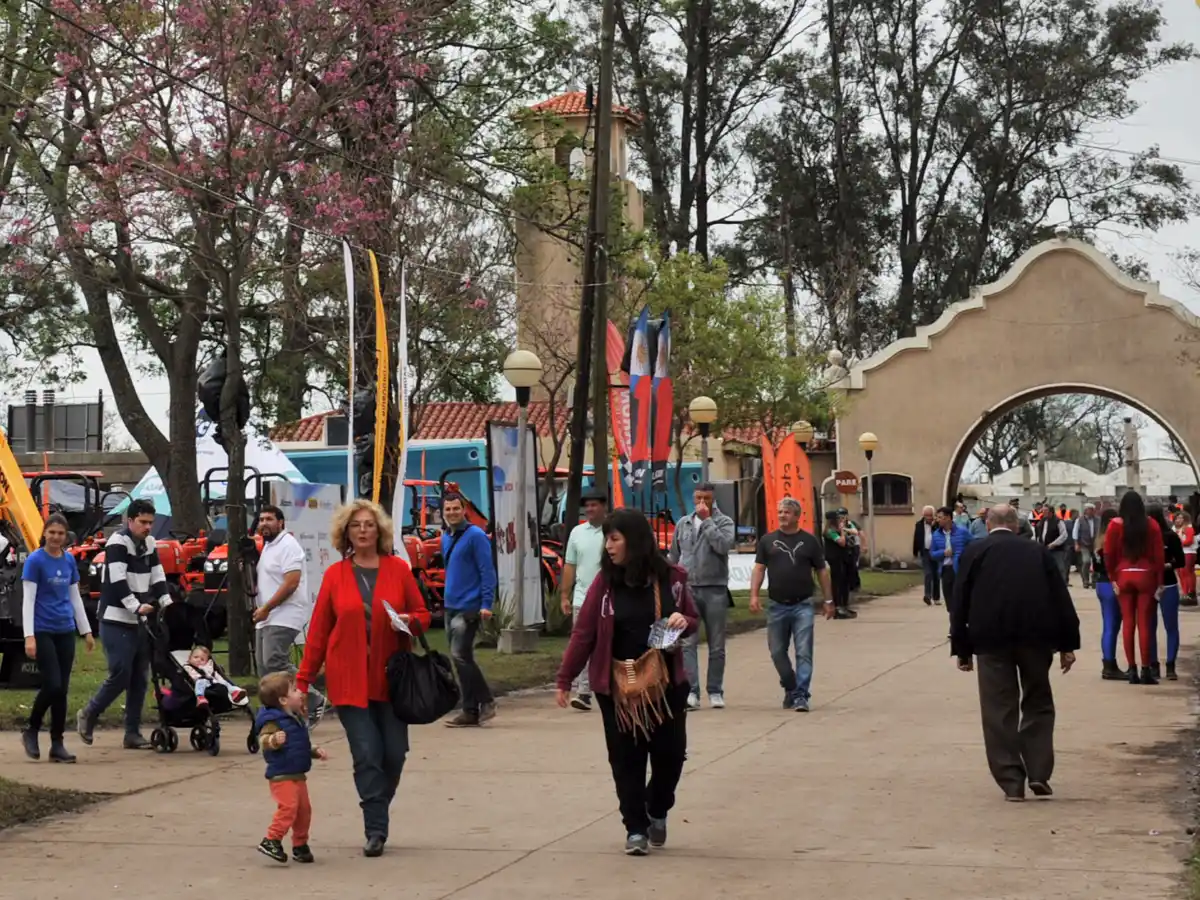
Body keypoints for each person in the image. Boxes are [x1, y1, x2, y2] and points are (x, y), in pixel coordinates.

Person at [555, 509, 700, 856]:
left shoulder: (672, 578)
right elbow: (584, 633)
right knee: (626, 759)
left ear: (634, 541)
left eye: (615, 538)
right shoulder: (604, 584)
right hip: (617, 688)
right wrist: (565, 677)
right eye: (607, 539)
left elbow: (693, 619)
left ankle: (657, 809)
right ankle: (635, 828)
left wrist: (684, 620)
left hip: (665, 686)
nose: (608, 546)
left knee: (670, 756)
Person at [296, 499, 432, 857]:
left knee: (395, 754)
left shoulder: (398, 569)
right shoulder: (335, 575)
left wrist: (409, 621)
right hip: (348, 680)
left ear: (379, 531)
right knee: (367, 753)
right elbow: (319, 633)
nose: (362, 530)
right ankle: (376, 828)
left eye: (369, 524)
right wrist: (303, 680)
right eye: (355, 525)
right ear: (346, 533)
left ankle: (377, 806)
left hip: (392, 681)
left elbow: (423, 614)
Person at [950, 505, 1080, 802]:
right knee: (1038, 701)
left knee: (998, 709)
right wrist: (1067, 645)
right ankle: (1038, 772)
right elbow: (1060, 598)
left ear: (987, 523)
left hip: (990, 640)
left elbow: (960, 602)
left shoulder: (975, 552)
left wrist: (962, 648)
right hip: (1036, 638)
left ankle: (1011, 781)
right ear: (1017, 525)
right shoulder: (1037, 552)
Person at [77, 498, 173, 750]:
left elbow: (158, 576)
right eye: (142, 522)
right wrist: (135, 606)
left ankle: (132, 732)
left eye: (150, 522)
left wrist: (168, 603)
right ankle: (89, 712)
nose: (148, 527)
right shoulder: (117, 543)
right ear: (129, 521)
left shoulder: (150, 543)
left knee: (140, 678)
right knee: (121, 673)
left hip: (139, 620)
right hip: (115, 619)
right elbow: (118, 581)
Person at [21, 513, 95, 762]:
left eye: (60, 533)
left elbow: (74, 597)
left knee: (61, 690)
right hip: (43, 629)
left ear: (66, 536)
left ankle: (57, 744)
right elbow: (28, 600)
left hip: (65, 629)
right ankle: (31, 728)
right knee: (52, 684)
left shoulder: (69, 560)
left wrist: (86, 631)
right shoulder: (35, 561)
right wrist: (29, 636)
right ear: (44, 533)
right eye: (52, 532)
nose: (55, 537)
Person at [749, 498, 834, 712]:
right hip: (776, 605)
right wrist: (754, 596)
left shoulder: (810, 541)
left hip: (802, 605)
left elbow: (822, 571)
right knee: (777, 651)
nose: (782, 515)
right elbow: (759, 569)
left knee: (803, 651)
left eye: (786, 512)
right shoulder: (767, 541)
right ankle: (791, 685)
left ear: (797, 516)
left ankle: (801, 695)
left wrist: (828, 600)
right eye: (780, 512)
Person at [254, 505, 325, 723]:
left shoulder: (288, 545)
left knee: (274, 661)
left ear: (281, 523)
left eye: (269, 519)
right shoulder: (269, 546)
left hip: (285, 613)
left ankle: (313, 698)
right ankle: (281, 712)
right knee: (265, 668)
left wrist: (267, 608)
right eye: (261, 520)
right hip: (267, 615)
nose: (264, 523)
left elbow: (291, 583)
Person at [670, 483, 736, 709]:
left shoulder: (724, 522)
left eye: (706, 498)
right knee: (687, 642)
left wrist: (707, 521)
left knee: (716, 644)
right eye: (698, 497)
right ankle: (691, 691)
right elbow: (674, 555)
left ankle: (715, 690)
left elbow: (723, 546)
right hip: (688, 588)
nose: (701, 502)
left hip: (715, 588)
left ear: (713, 499)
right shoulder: (684, 523)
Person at [255, 672, 330, 864]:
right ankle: (271, 840)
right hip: (282, 775)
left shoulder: (294, 718)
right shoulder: (273, 720)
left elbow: (297, 744)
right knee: (288, 808)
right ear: (283, 700)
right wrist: (273, 740)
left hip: (297, 774)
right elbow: (263, 740)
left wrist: (313, 751)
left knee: (304, 811)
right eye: (295, 690)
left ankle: (300, 844)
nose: (300, 693)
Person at [439, 492, 498, 728]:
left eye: (456, 508)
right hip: (450, 605)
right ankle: (470, 711)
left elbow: (487, 572)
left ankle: (486, 701)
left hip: (469, 606)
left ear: (464, 510)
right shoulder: (446, 536)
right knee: (461, 659)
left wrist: (486, 604)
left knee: (460, 656)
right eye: (448, 509)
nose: (452, 513)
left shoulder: (476, 536)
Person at [1103, 491, 1164, 685]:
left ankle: (1132, 669)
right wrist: (1160, 581)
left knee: (1128, 623)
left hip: (1123, 574)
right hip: (1146, 574)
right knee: (1144, 623)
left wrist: (1113, 578)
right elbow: (1159, 556)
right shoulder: (1151, 524)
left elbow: (1108, 554)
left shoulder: (1115, 525)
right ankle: (1146, 669)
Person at [560, 487, 608, 711]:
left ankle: (607, 685)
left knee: (606, 644)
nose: (589, 509)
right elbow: (570, 565)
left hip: (608, 599)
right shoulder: (577, 533)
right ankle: (583, 692)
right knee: (581, 644)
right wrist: (565, 595)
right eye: (587, 506)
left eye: (594, 505)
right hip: (582, 598)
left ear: (603, 506)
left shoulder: (612, 531)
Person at [1147, 505, 1184, 682]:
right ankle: (1155, 664)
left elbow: (1181, 561)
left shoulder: (1170, 536)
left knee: (1169, 626)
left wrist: (1166, 565)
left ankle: (1169, 664)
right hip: (1149, 585)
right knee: (1151, 627)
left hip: (1167, 584)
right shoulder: (1143, 538)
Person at [1094, 510, 1124, 681]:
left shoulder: (1098, 539)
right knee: (1112, 626)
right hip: (1111, 583)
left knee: (1108, 626)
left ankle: (1108, 663)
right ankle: (1109, 664)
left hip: (1101, 583)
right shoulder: (1111, 540)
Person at [930, 506, 971, 613]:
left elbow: (973, 547)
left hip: (960, 570)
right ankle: (954, 622)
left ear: (948, 517)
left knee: (961, 602)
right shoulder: (936, 535)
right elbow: (932, 554)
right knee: (950, 604)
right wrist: (943, 553)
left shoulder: (962, 532)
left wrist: (963, 555)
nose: (937, 520)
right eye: (937, 517)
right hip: (946, 570)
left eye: (940, 517)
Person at [181, 645, 247, 706]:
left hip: (213, 682)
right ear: (189, 658)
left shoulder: (208, 667)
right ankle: (200, 697)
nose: (198, 660)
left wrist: (218, 678)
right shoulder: (188, 667)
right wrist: (203, 670)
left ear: (206, 662)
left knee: (225, 683)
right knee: (201, 682)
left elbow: (214, 674)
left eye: (202, 659)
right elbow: (193, 676)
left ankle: (235, 692)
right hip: (201, 682)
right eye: (196, 657)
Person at [822, 511, 855, 620]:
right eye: (838, 518)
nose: (840, 520)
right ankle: (838, 607)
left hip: (841, 558)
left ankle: (844, 606)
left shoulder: (834, 530)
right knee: (837, 583)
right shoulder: (830, 531)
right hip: (835, 559)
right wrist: (842, 531)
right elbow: (842, 542)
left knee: (844, 582)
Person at [1033, 505, 1070, 584]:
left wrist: (1054, 544)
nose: (1043, 512)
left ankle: (1062, 584)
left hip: (1057, 549)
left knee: (1059, 567)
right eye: (1043, 511)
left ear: (1050, 512)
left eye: (1045, 511)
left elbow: (1064, 535)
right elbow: (1039, 534)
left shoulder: (1058, 521)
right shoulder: (1042, 521)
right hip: (1044, 548)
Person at [912, 506, 938, 606]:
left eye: (930, 515)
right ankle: (927, 595)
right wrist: (915, 552)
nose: (928, 518)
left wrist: (933, 526)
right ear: (923, 515)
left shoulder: (937, 524)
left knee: (936, 574)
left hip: (935, 551)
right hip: (925, 552)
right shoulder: (919, 524)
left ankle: (936, 597)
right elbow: (916, 538)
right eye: (926, 516)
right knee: (928, 573)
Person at [1073, 504, 1100, 590]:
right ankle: (1085, 580)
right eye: (1089, 509)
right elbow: (1075, 532)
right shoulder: (1079, 520)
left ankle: (1094, 581)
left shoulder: (1098, 520)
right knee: (1086, 561)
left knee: (1097, 563)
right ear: (1086, 510)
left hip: (1095, 544)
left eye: (1092, 509)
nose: (1091, 511)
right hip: (1084, 544)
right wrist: (1076, 544)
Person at [1175, 511, 1196, 603]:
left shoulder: (1189, 528)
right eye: (1177, 518)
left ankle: (1189, 592)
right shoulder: (1179, 529)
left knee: (1187, 573)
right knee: (1181, 573)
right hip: (1182, 552)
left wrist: (1179, 542)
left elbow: (1189, 541)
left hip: (1188, 552)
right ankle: (1185, 592)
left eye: (1181, 518)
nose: (1178, 520)